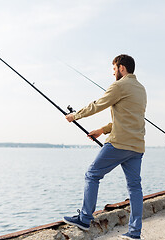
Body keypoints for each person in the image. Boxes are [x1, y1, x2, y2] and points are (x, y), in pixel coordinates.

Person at [63, 54, 147, 240]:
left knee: (92, 174)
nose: (113, 73)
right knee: (135, 188)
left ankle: (84, 219)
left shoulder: (119, 85)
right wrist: (102, 130)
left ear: (122, 68)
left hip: (119, 144)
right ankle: (134, 232)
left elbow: (97, 105)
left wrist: (75, 116)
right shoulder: (141, 89)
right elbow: (130, 119)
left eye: (114, 69)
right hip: (137, 146)